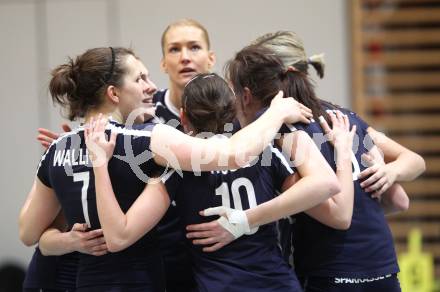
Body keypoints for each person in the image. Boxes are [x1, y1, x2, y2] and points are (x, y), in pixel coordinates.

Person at [18, 46, 310, 291]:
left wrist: (69, 240)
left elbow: (29, 233)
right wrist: (276, 113)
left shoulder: (58, 148)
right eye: (140, 78)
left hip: (79, 280)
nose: (151, 86)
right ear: (113, 93)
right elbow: (232, 153)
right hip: (135, 280)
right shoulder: (148, 138)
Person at [191, 34, 425, 291]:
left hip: (331, 270)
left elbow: (339, 213)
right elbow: (400, 199)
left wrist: (245, 220)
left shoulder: (279, 128)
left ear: (247, 93)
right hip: (383, 266)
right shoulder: (343, 117)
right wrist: (388, 172)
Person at [87, 72, 343, 291]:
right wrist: (250, 218)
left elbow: (121, 234)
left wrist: (95, 161)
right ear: (234, 110)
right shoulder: (265, 153)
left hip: (220, 284)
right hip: (276, 282)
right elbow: (323, 187)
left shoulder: (176, 168)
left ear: (184, 117)